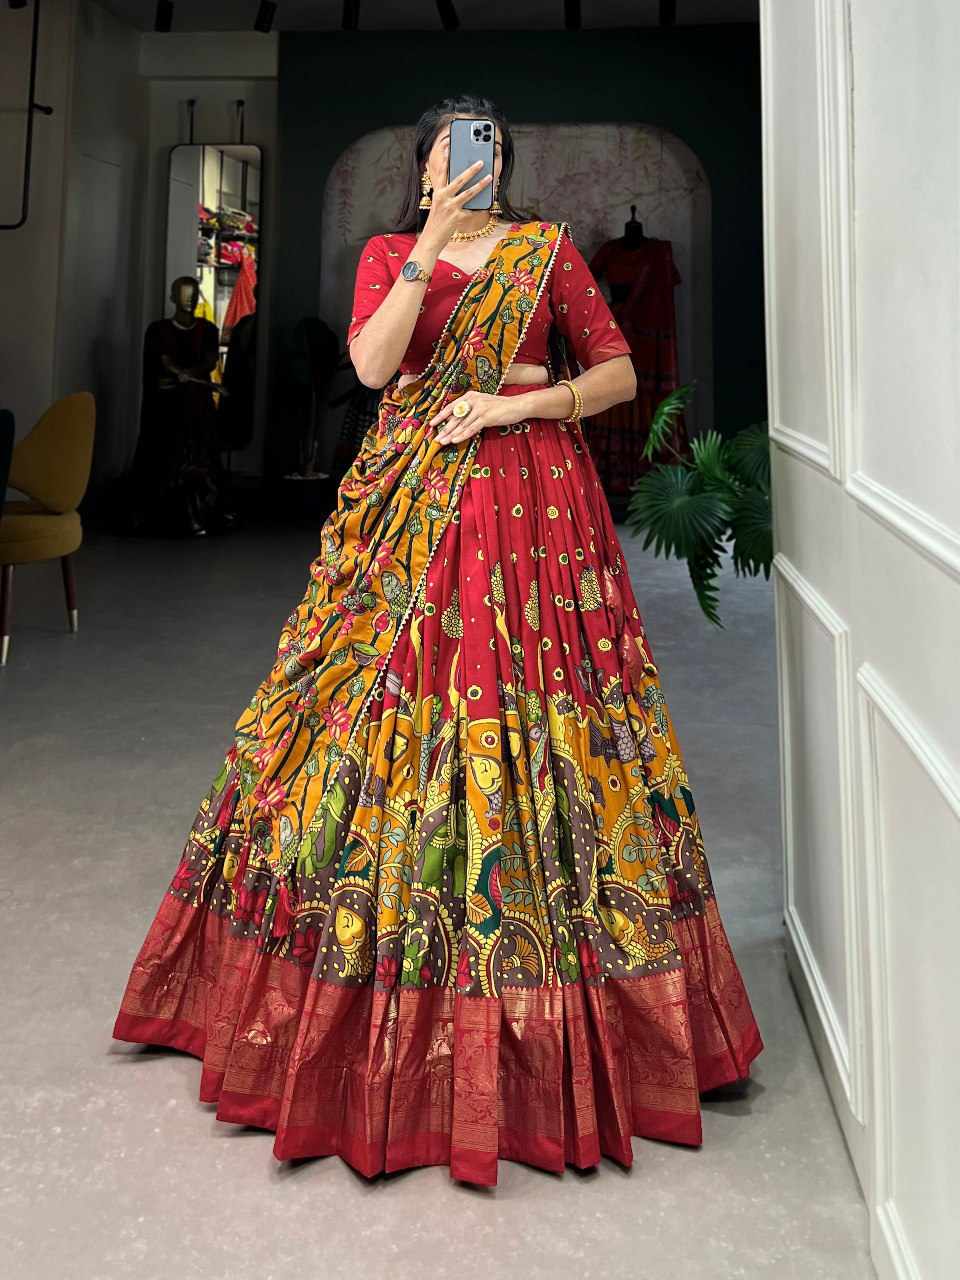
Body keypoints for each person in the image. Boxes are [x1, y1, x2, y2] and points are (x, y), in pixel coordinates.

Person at [112, 96, 764, 1187]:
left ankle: (559, 1005)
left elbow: (617, 373)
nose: (476, 161)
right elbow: (375, 370)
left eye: (491, 146)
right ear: (424, 169)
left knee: (541, 723)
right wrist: (428, 247)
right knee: (364, 714)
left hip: (533, 507)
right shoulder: (386, 255)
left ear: (505, 162)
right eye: (457, 149)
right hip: (405, 505)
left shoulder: (545, 251)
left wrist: (514, 408)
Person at [130, 276, 233, 536]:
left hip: (198, 407)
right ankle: (163, 513)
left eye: (194, 294)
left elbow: (209, 361)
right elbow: (162, 361)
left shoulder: (207, 330)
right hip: (168, 408)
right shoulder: (159, 330)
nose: (190, 299)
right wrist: (177, 373)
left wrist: (190, 374)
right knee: (166, 456)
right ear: (173, 297)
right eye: (184, 294)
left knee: (202, 455)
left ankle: (205, 512)